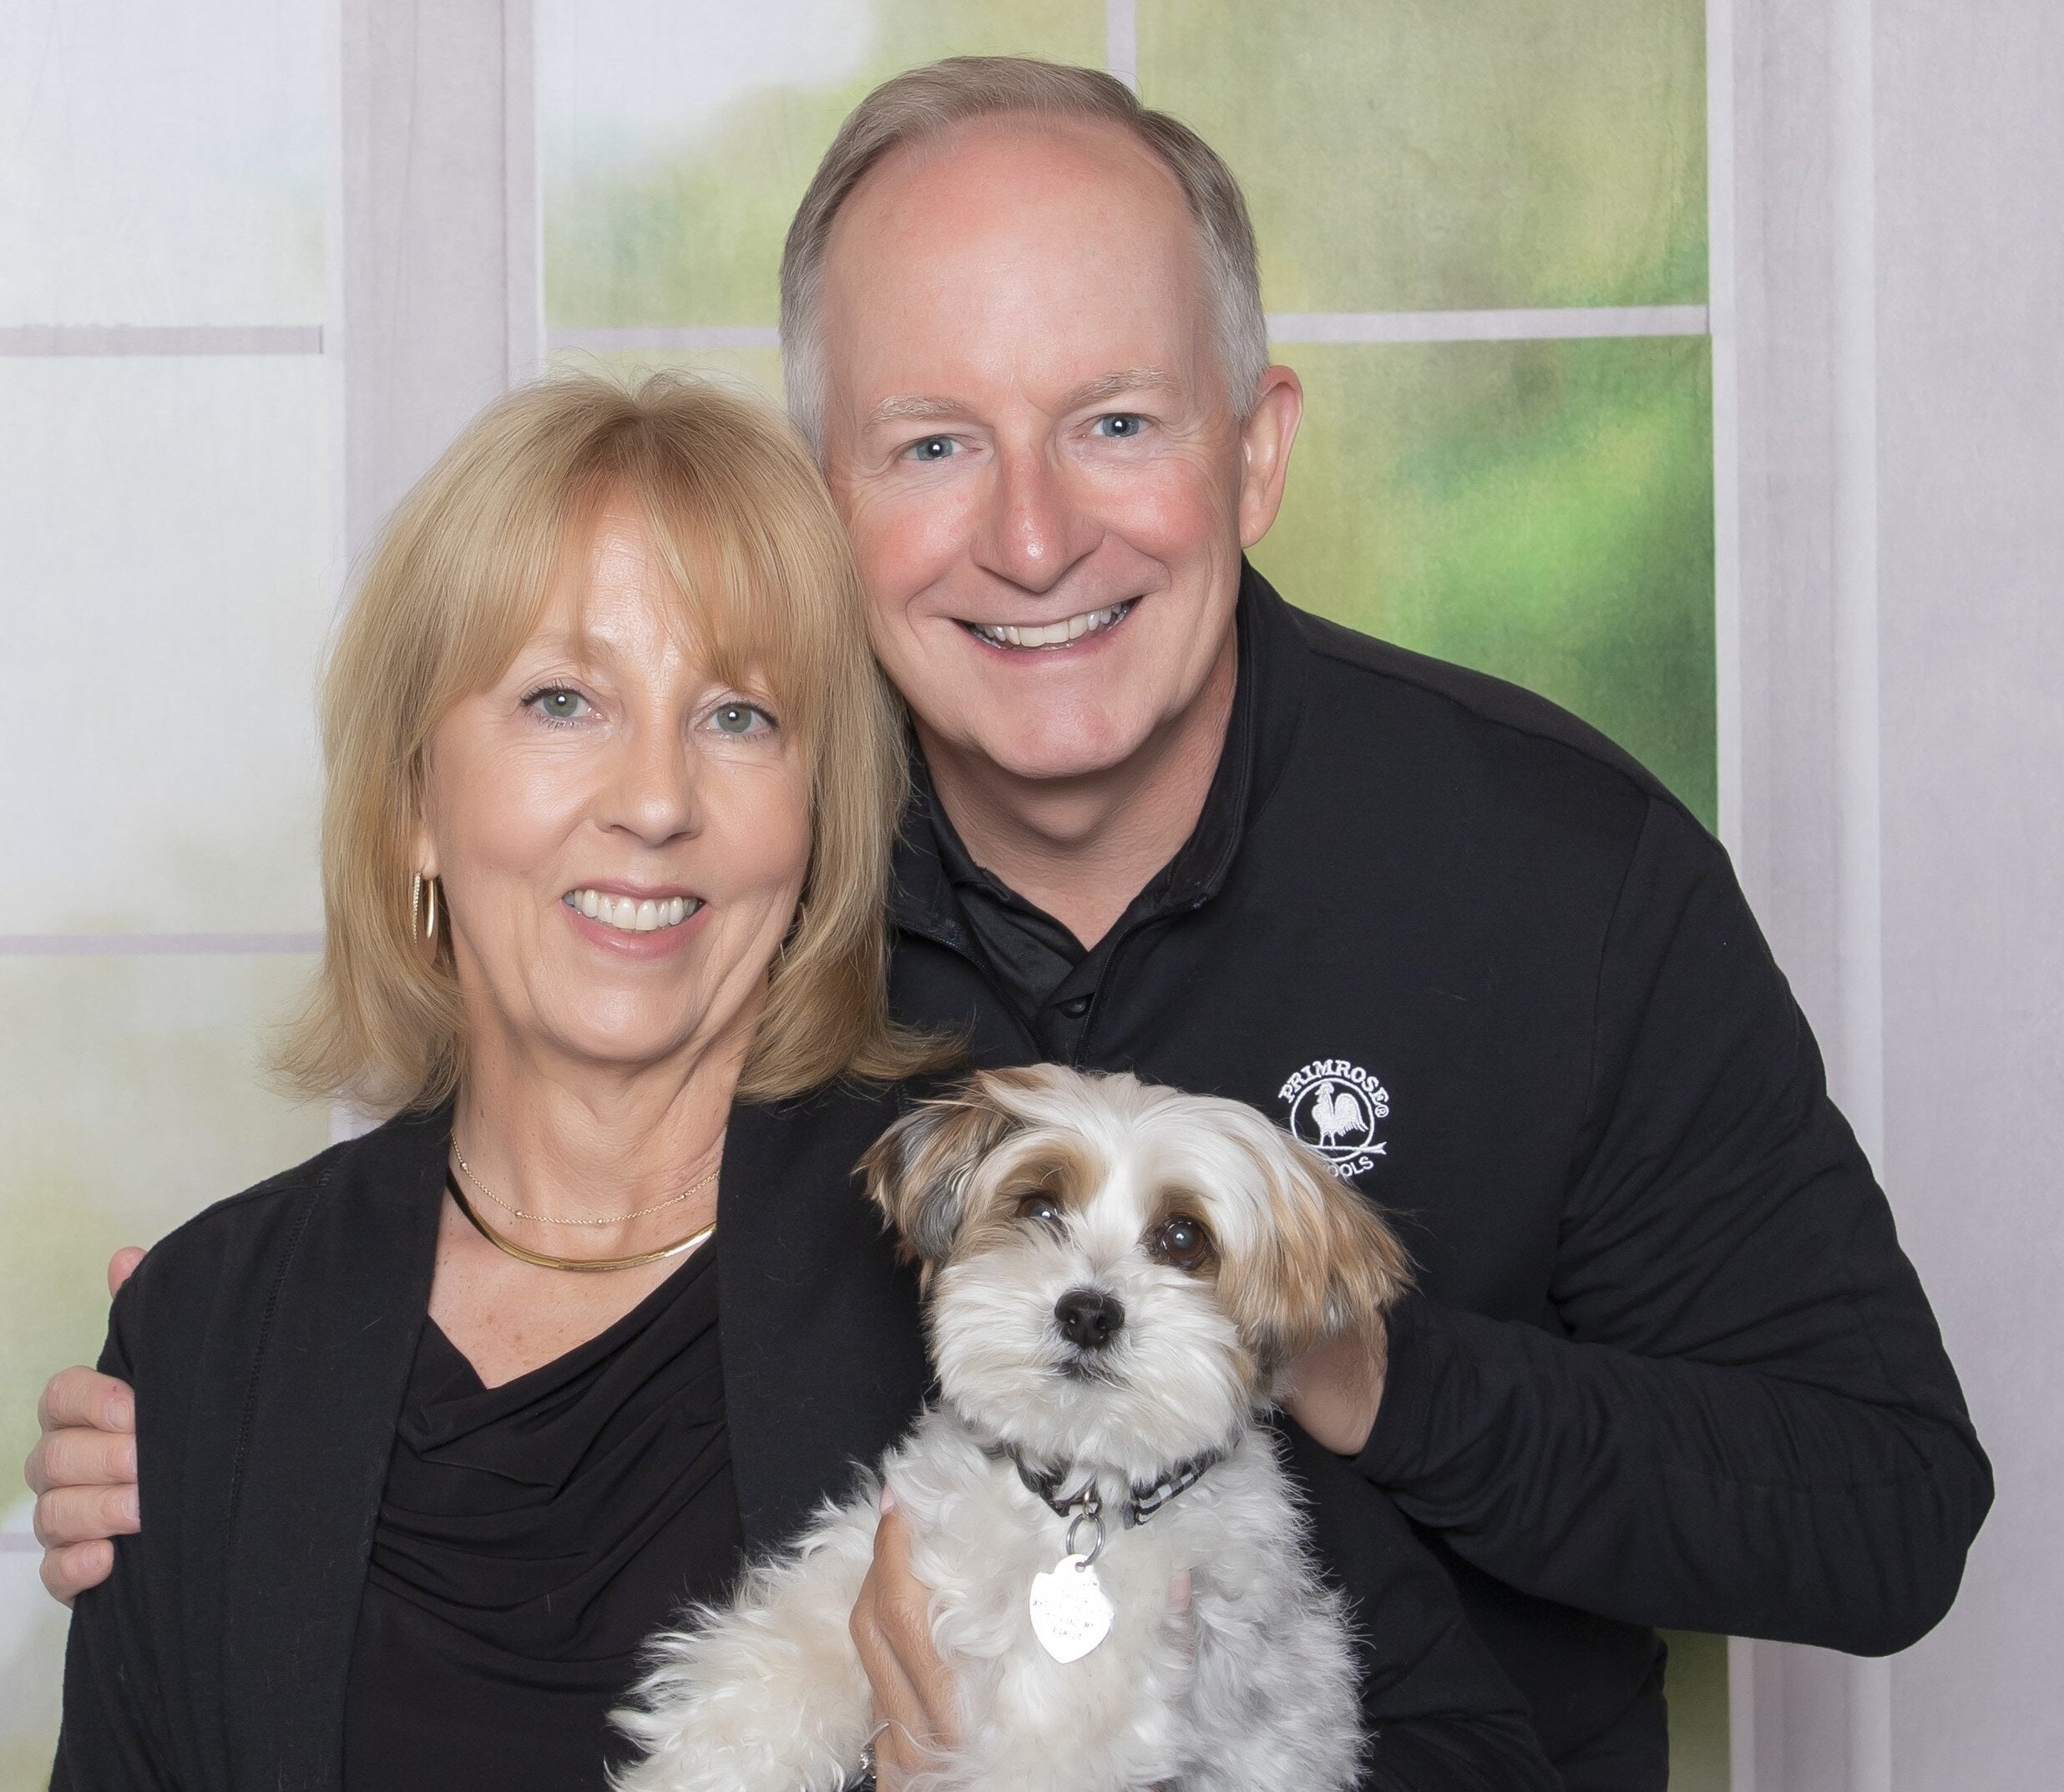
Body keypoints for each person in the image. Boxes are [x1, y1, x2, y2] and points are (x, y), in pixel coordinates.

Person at [30, 56, 1991, 1789]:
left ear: (1257, 446)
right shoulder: (752, 856)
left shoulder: (1555, 867)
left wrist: (1341, 1359)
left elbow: (1883, 1509)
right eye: (935, 442)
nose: (1035, 538)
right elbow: (548, 1122)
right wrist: (245, 1396)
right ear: (826, 504)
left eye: (1115, 421)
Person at [39, 370, 1556, 1792]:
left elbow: (1456, 1747)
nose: (654, 800)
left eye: (739, 716)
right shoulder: (212, 1320)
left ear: (817, 817)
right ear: (412, 805)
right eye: (562, 699)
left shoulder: (1004, 1245)